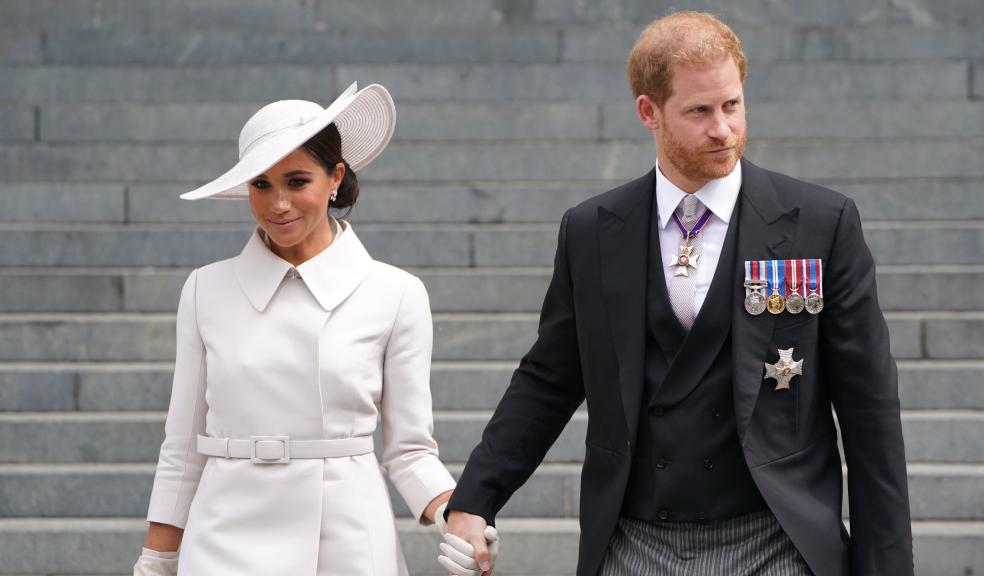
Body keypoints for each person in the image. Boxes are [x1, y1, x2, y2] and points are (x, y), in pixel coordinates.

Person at [441, 11, 913, 576]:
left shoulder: (820, 222)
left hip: (777, 539)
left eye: (733, 105)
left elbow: (869, 407)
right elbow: (549, 377)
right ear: (649, 112)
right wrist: (474, 498)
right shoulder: (592, 230)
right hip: (634, 541)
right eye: (700, 111)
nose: (724, 129)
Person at [131, 82, 458, 575]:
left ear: (335, 178)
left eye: (297, 181)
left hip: (346, 540)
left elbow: (410, 450)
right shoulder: (205, 290)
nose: (278, 203)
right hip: (224, 537)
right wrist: (157, 558)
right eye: (261, 184)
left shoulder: (396, 293)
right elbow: (182, 445)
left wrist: (459, 519)